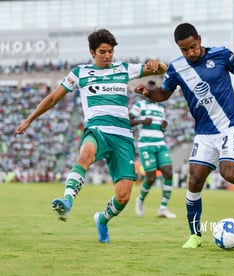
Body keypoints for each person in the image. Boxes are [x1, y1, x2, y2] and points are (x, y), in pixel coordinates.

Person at [134, 23, 234, 249]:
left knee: (229, 173)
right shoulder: (176, 68)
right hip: (204, 132)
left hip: (231, 124)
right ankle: (195, 235)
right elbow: (164, 94)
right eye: (184, 50)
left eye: (193, 47)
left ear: (200, 40)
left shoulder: (221, 54)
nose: (190, 53)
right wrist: (148, 93)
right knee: (194, 181)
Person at [13, 29, 167, 243]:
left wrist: (155, 64)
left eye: (111, 51)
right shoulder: (80, 73)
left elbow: (163, 69)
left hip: (123, 136)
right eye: (103, 51)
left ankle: (102, 219)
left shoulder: (124, 68)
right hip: (97, 129)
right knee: (84, 156)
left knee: (123, 197)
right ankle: (66, 203)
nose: (107, 56)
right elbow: (53, 98)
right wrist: (30, 119)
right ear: (92, 52)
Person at [130, 80, 176, 219]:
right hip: (146, 144)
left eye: (151, 90)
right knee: (150, 178)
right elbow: (128, 121)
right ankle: (140, 201)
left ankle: (163, 208)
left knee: (168, 173)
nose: (148, 92)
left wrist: (164, 125)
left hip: (160, 143)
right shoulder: (139, 105)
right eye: (147, 90)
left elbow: (161, 127)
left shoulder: (161, 108)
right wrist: (142, 121)